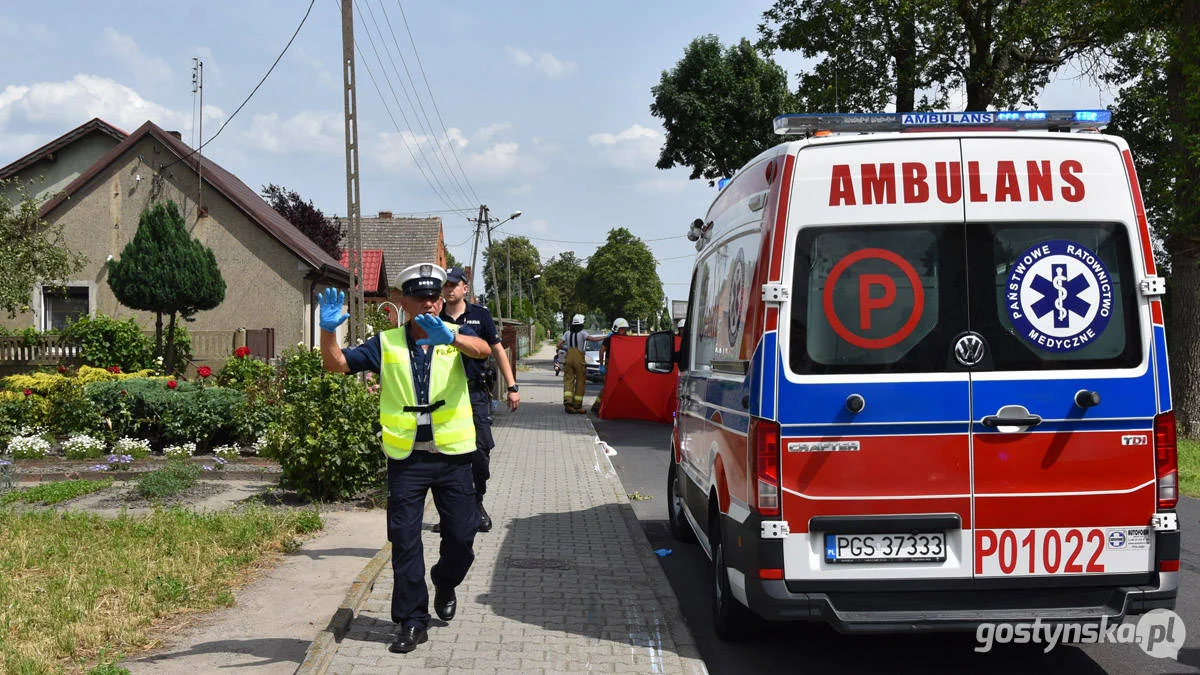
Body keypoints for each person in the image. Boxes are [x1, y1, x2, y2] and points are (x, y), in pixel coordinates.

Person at [317, 263, 491, 655]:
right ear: (404, 302)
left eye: (436, 295)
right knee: (404, 541)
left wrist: (450, 335)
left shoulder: (456, 334)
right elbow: (337, 364)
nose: (430, 302)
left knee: (462, 538)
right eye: (421, 297)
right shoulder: (388, 341)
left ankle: (445, 582)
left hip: (453, 456)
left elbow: (483, 352)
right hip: (407, 458)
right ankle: (412, 621)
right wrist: (329, 330)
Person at [437, 266, 518, 534]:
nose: (448, 289)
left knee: (480, 453)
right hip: (443, 397)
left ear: (465, 288)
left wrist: (512, 386)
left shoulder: (479, 315)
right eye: (445, 285)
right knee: (443, 456)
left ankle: (476, 504)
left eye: (453, 284)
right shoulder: (433, 315)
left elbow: (498, 351)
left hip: (475, 394)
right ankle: (449, 513)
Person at [556, 314, 602, 414]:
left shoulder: (567, 333)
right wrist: (606, 337)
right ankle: (577, 406)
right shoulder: (583, 333)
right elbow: (593, 339)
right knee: (580, 382)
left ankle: (568, 403)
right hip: (579, 360)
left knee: (568, 381)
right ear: (581, 324)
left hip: (569, 359)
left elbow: (558, 345)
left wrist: (566, 349)